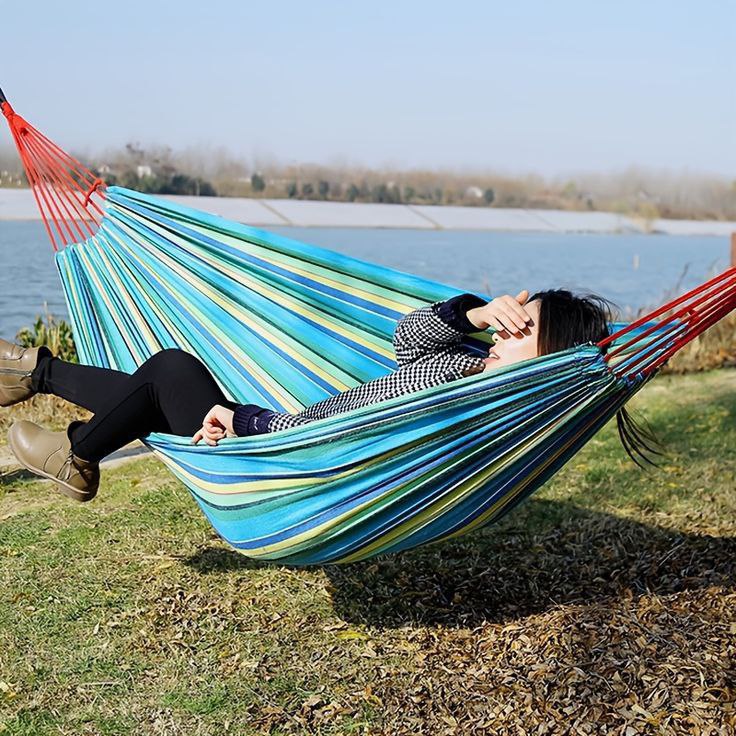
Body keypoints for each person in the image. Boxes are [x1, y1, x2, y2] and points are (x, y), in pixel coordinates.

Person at [0, 288, 655, 503]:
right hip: (282, 434)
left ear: (552, 354)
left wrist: (246, 426)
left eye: (525, 326)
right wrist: (476, 314)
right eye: (516, 313)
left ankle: (70, 439)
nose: (510, 326)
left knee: (168, 374)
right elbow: (408, 338)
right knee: (169, 375)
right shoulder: (468, 361)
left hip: (290, 461)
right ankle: (42, 385)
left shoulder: (474, 405)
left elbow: (356, 441)